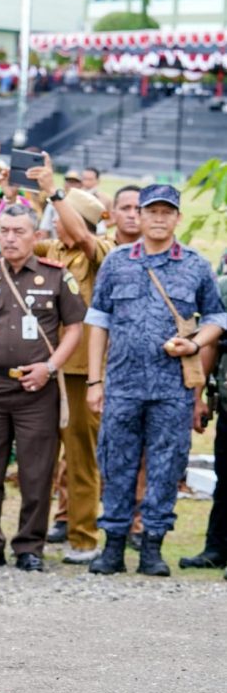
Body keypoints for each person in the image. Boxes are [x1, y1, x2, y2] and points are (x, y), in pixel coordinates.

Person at [86, 184, 227, 577]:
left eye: (167, 212)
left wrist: (194, 343)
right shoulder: (116, 262)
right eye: (152, 212)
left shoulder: (196, 265)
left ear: (177, 217)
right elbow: (97, 322)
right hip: (122, 385)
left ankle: (152, 546)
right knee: (117, 464)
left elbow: (218, 317)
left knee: (166, 466)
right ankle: (113, 547)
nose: (159, 219)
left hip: (171, 390)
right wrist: (94, 382)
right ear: (140, 217)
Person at [0, 205, 85, 572]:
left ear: (36, 237)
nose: (10, 238)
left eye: (19, 231)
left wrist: (50, 367)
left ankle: (30, 547)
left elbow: (74, 327)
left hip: (36, 389)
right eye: (5, 230)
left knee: (36, 471)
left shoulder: (56, 276)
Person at [26, 157, 114, 565]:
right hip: (43, 366)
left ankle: (83, 538)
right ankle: (34, 537)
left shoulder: (102, 252)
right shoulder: (52, 249)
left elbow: (81, 237)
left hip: (81, 372)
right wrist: (25, 192)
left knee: (80, 458)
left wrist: (54, 191)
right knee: (38, 455)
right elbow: (21, 243)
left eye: (60, 212)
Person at [180, 273, 227, 574]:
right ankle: (217, 548)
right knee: (226, 477)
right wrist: (198, 397)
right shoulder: (224, 286)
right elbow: (211, 344)